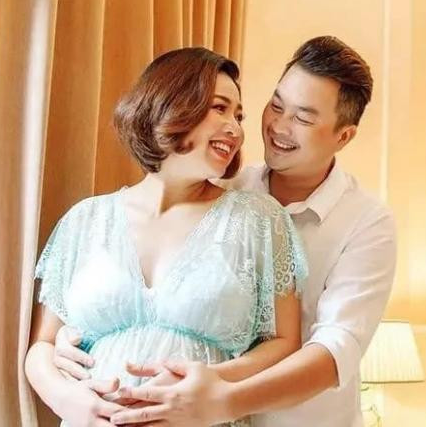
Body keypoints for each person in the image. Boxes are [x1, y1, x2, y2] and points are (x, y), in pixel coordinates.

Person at [55, 35, 397, 427]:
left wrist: (218, 399)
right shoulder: (218, 187)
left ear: (343, 136)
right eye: (276, 105)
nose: (278, 127)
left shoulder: (367, 223)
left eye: (303, 118)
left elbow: (334, 349)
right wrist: (73, 341)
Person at [25, 47, 308, 427]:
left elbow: (285, 343)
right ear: (171, 105)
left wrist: (214, 380)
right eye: (220, 108)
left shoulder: (258, 220)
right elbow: (42, 347)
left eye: (238, 116)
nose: (236, 129)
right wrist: (69, 401)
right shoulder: (85, 220)